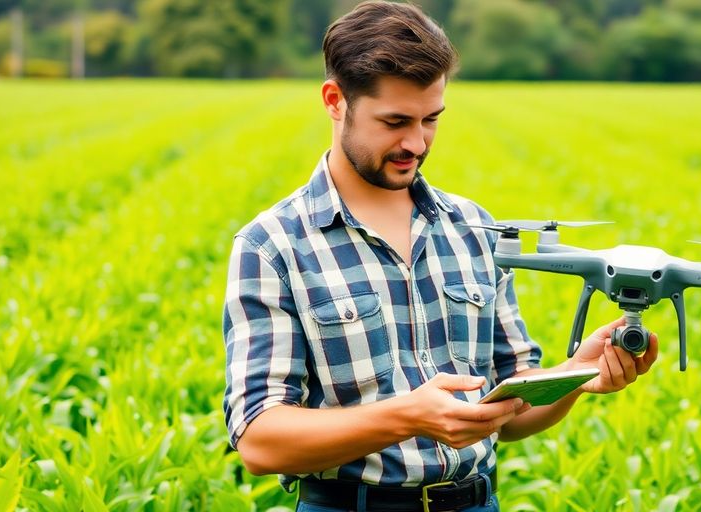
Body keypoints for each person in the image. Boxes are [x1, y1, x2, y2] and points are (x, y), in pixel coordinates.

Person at [221, 2, 658, 511]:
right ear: (335, 100)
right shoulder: (272, 245)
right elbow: (259, 439)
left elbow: (510, 408)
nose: (416, 142)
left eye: (431, 120)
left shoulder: (473, 228)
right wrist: (406, 416)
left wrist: (577, 376)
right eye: (395, 121)